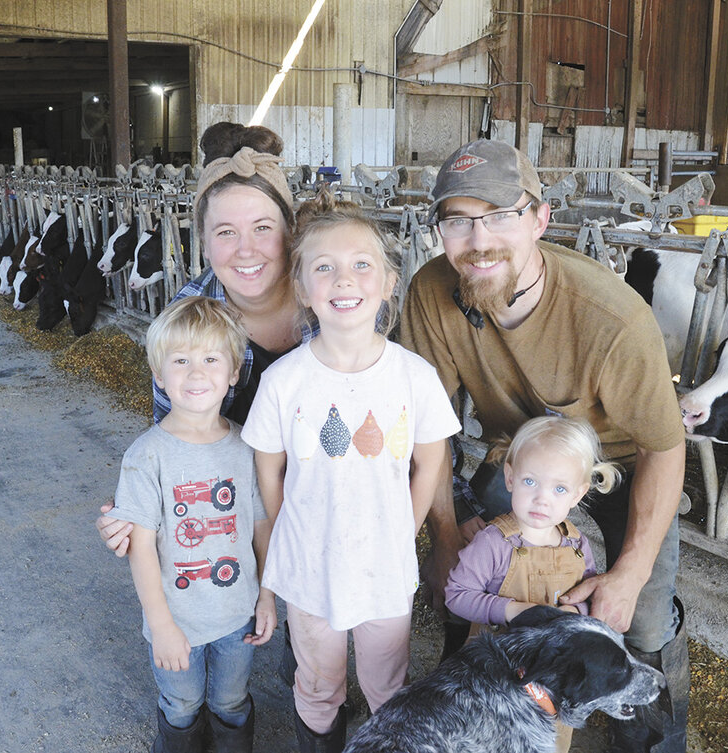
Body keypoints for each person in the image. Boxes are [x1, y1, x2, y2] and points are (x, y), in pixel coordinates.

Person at [400, 138, 689, 753]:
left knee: (639, 615)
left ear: (539, 218)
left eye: (500, 216)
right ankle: (470, 714)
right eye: (457, 220)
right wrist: (446, 535)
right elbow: (426, 425)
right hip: (515, 454)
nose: (478, 241)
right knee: (468, 588)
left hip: (619, 463)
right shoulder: (432, 292)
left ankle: (652, 739)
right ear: (440, 231)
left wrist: (629, 574)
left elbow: (665, 447)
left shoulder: (612, 317)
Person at [240, 192, 461, 753]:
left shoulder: (414, 375)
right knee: (318, 683)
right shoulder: (284, 381)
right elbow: (270, 472)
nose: (345, 280)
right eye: (325, 268)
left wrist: (404, 532)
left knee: (388, 683)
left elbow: (431, 458)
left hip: (383, 568)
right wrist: (289, 536)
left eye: (362, 264)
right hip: (309, 568)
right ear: (302, 288)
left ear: (389, 283)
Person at [96, 121, 300, 554]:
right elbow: (173, 437)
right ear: (203, 243)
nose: (246, 250)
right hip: (236, 505)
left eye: (263, 227)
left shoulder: (337, 303)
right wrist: (143, 507)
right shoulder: (185, 320)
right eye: (225, 232)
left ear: (290, 230)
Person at [106, 296, 273, 752]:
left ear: (234, 371)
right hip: (176, 618)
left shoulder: (246, 447)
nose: (196, 373)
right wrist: (160, 625)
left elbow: (260, 525)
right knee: (181, 704)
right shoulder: (147, 455)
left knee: (231, 700)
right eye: (180, 360)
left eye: (211, 359)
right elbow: (141, 547)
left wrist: (268, 596)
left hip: (238, 614)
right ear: (160, 375)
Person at [445, 415, 621, 753]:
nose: (542, 498)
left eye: (559, 488)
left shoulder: (577, 544)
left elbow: (587, 596)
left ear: (578, 493)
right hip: (494, 680)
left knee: (552, 741)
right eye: (530, 482)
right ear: (510, 478)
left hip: (554, 680)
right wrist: (513, 609)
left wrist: (576, 610)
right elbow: (456, 595)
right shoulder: (493, 542)